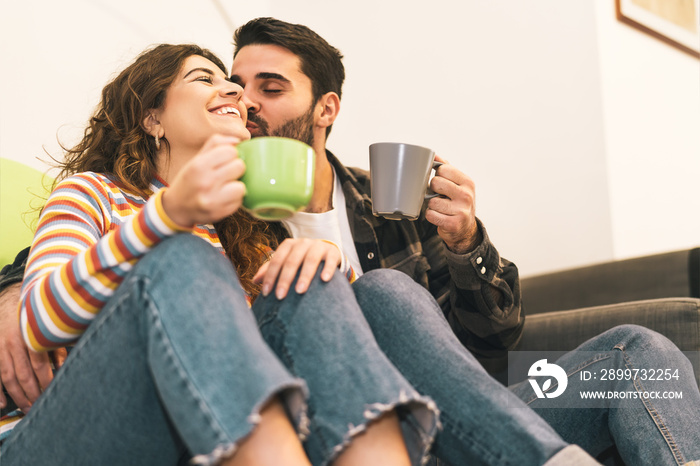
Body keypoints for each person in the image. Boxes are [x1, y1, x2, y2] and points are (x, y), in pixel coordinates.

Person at [2, 19, 699, 466]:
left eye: (264, 88)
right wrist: (13, 289)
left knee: (638, 353)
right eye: (227, 83)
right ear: (154, 116)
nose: (243, 100)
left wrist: (465, 245)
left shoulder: (384, 203)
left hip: (469, 399)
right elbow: (82, 282)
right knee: (353, 286)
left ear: (325, 108)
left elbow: (499, 335)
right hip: (348, 409)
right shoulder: (225, 216)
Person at [0, 43, 449, 466]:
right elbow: (38, 321)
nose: (236, 90)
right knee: (182, 257)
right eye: (203, 78)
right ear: (152, 118)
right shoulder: (93, 193)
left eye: (229, 82)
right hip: (59, 434)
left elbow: (322, 353)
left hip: (190, 434)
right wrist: (167, 215)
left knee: (360, 283)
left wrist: (329, 261)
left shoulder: (245, 234)